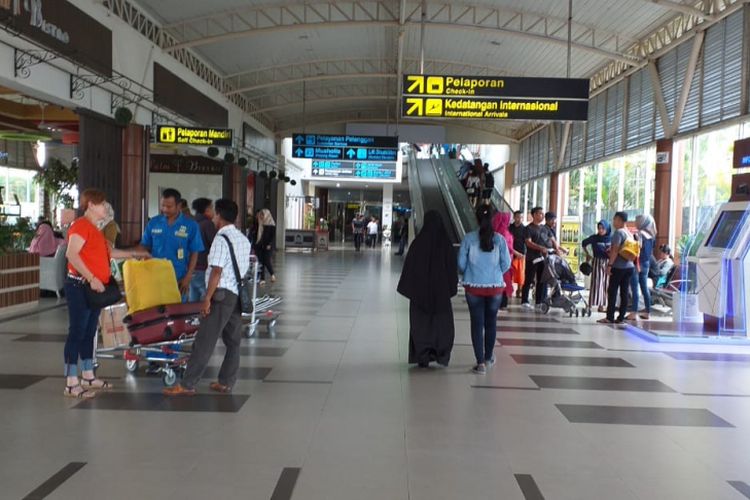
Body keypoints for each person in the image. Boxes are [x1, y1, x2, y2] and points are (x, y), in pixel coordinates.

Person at [63, 188, 149, 398]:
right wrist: (92, 278)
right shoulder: (81, 226)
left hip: (93, 289)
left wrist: (134, 254)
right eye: (102, 204)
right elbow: (71, 254)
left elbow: (109, 253)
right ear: (91, 205)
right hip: (80, 286)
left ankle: (88, 376)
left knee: (90, 331)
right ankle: (71, 382)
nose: (105, 208)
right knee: (77, 331)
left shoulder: (95, 229)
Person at [164, 198, 251, 396]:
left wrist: (207, 298)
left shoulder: (221, 239)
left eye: (215, 213)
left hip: (220, 295)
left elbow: (216, 272)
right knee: (233, 341)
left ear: (219, 215)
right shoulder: (242, 239)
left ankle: (187, 385)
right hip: (235, 295)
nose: (213, 216)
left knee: (204, 341)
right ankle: (226, 381)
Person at [397, 210, 457, 368]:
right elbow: (452, 269)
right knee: (442, 326)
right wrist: (451, 288)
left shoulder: (418, 243)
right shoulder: (446, 244)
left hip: (419, 295)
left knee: (420, 326)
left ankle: (422, 355)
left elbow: (409, 268)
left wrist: (411, 290)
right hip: (441, 295)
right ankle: (442, 355)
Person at [458, 205, 511, 374]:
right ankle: (488, 358)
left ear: (477, 218)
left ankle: (480, 363)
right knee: (491, 323)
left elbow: (460, 263)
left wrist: (470, 272)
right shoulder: (500, 239)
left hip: (473, 287)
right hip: (495, 287)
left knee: (477, 324)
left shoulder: (468, 239)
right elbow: (506, 264)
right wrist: (494, 274)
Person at [136, 188, 204, 299]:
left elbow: (194, 253)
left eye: (169, 206)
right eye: (162, 206)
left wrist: (188, 277)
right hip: (154, 276)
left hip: (178, 278)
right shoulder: (154, 222)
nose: (164, 209)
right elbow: (144, 245)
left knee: (177, 311)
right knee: (155, 311)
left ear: (179, 205)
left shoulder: (191, 225)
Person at [599, 211, 635, 324]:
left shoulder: (618, 232)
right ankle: (620, 317)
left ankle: (609, 317)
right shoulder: (629, 233)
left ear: (619, 220)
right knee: (624, 292)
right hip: (629, 266)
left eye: (614, 219)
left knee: (612, 291)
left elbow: (614, 250)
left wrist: (609, 265)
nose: (613, 222)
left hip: (619, 267)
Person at [521, 207, 554, 310]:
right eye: (540, 213)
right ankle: (524, 301)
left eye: (543, 214)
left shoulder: (544, 229)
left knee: (542, 280)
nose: (542, 215)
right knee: (529, 279)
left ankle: (539, 301)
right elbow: (528, 242)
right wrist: (540, 248)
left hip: (543, 258)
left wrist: (555, 249)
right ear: (534, 215)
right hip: (532, 258)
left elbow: (549, 240)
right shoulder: (528, 228)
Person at [627, 214, 657, 321]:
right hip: (646, 264)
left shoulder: (640, 234)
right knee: (644, 288)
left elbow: (637, 249)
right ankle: (647, 311)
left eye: (637, 220)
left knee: (635, 288)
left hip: (637, 264)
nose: (635, 222)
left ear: (642, 222)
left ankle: (634, 312)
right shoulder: (652, 236)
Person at [190, 198, 217, 302]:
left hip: (191, 268)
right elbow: (214, 245)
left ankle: (193, 317)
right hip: (203, 267)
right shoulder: (207, 224)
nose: (214, 211)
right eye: (212, 208)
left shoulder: (191, 223)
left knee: (193, 299)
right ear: (207, 210)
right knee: (207, 298)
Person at [582, 220, 612, 313]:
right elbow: (584, 243)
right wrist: (588, 254)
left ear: (607, 228)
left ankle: (601, 305)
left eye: (603, 228)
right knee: (596, 283)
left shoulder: (611, 238)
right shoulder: (594, 238)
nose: (601, 230)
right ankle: (590, 304)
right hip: (597, 261)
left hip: (608, 262)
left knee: (606, 284)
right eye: (599, 228)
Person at [492, 211, 514, 310]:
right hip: (504, 261)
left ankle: (499, 302)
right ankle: (502, 303)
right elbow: (508, 247)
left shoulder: (496, 231)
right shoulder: (504, 232)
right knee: (504, 282)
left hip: (497, 262)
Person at [509, 211, 526, 298]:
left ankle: (519, 290)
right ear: (514, 217)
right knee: (510, 273)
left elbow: (526, 242)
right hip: (510, 253)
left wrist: (524, 254)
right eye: (518, 217)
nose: (519, 219)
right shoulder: (509, 228)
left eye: (521, 217)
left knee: (520, 274)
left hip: (521, 253)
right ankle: (509, 289)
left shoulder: (524, 229)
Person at [256, 208, 276, 284]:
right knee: (261, 262)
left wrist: (269, 244)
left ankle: (272, 274)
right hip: (260, 245)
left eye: (263, 214)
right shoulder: (259, 223)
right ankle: (262, 279)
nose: (261, 216)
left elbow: (272, 236)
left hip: (268, 246)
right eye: (261, 214)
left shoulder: (272, 225)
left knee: (266, 260)